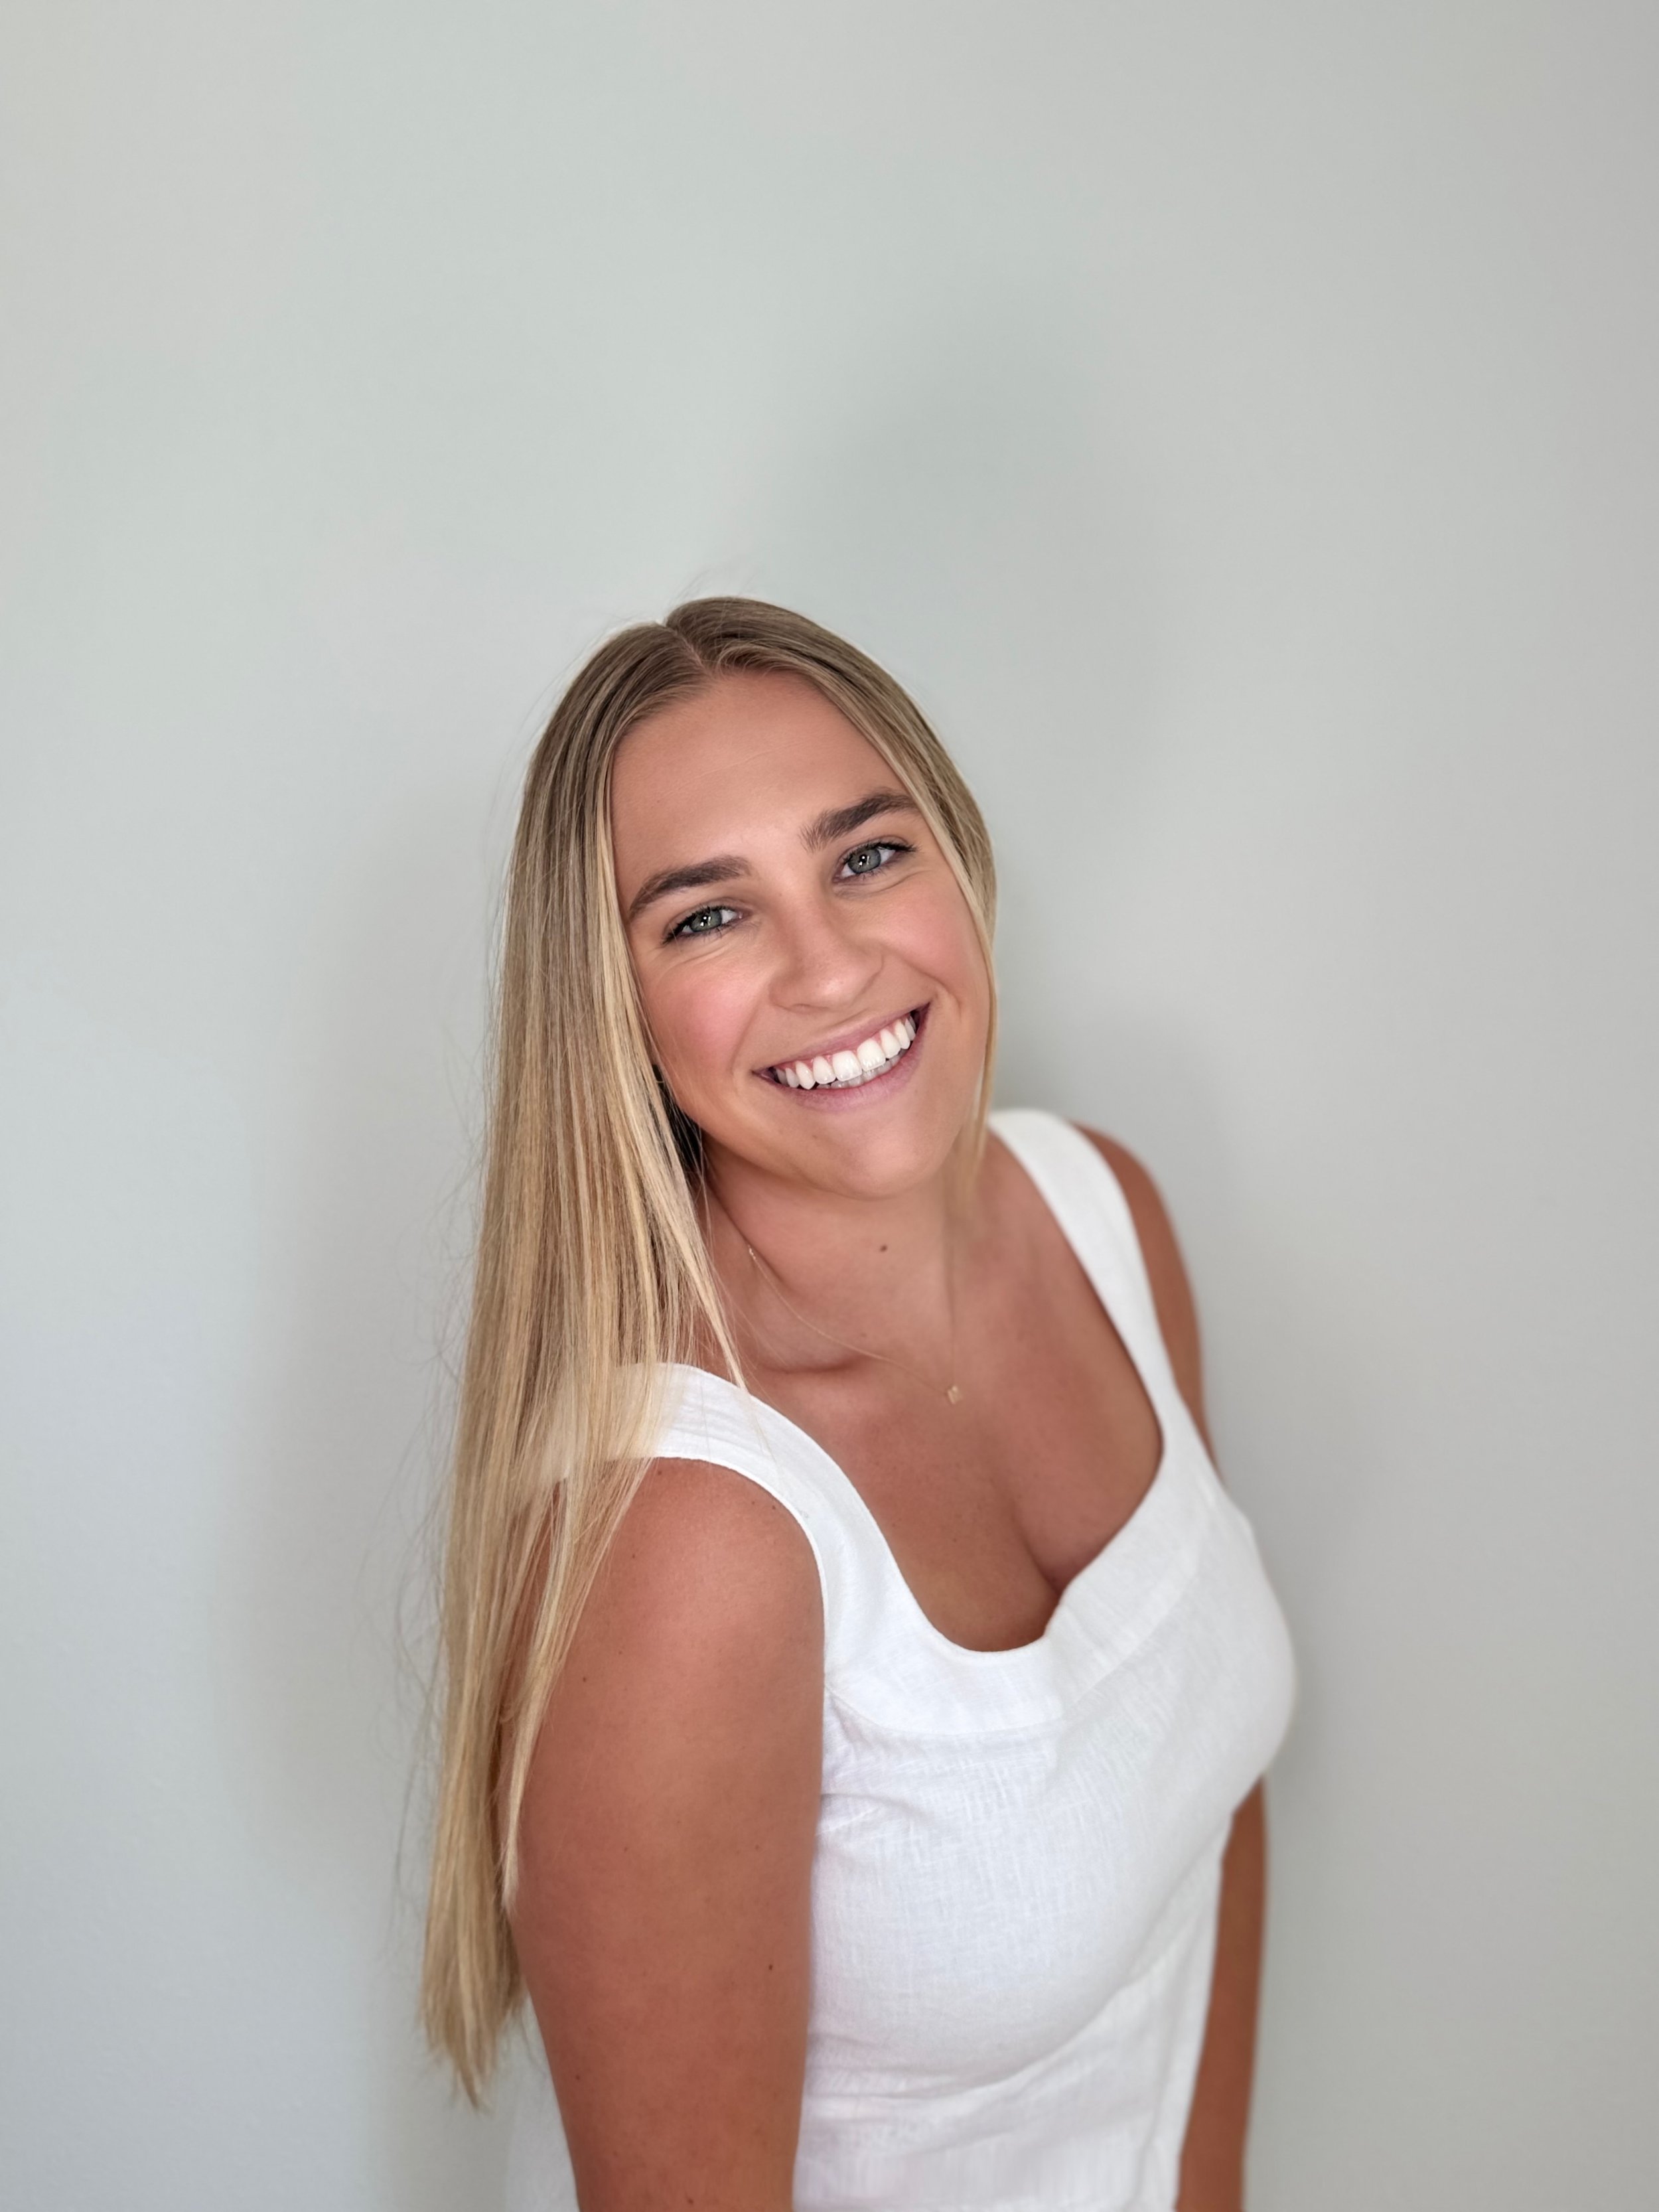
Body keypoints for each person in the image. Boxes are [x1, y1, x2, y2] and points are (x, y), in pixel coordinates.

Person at [421, 597, 1295, 2212]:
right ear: (614, 1011)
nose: (828, 965)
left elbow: (1206, 1813)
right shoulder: (687, 1538)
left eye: (866, 854)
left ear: (956, 856)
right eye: (707, 916)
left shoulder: (1101, 1215)